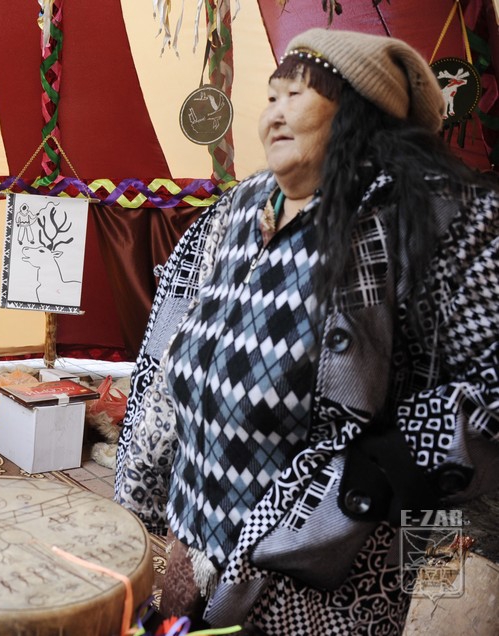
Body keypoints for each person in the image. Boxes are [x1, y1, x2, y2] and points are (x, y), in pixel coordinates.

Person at [115, 27, 499, 634]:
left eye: (296, 95)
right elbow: (167, 352)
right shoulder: (237, 211)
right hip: (195, 558)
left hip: (325, 577)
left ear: (360, 112)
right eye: (270, 96)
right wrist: (141, 493)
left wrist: (374, 477)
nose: (274, 114)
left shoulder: (434, 216)